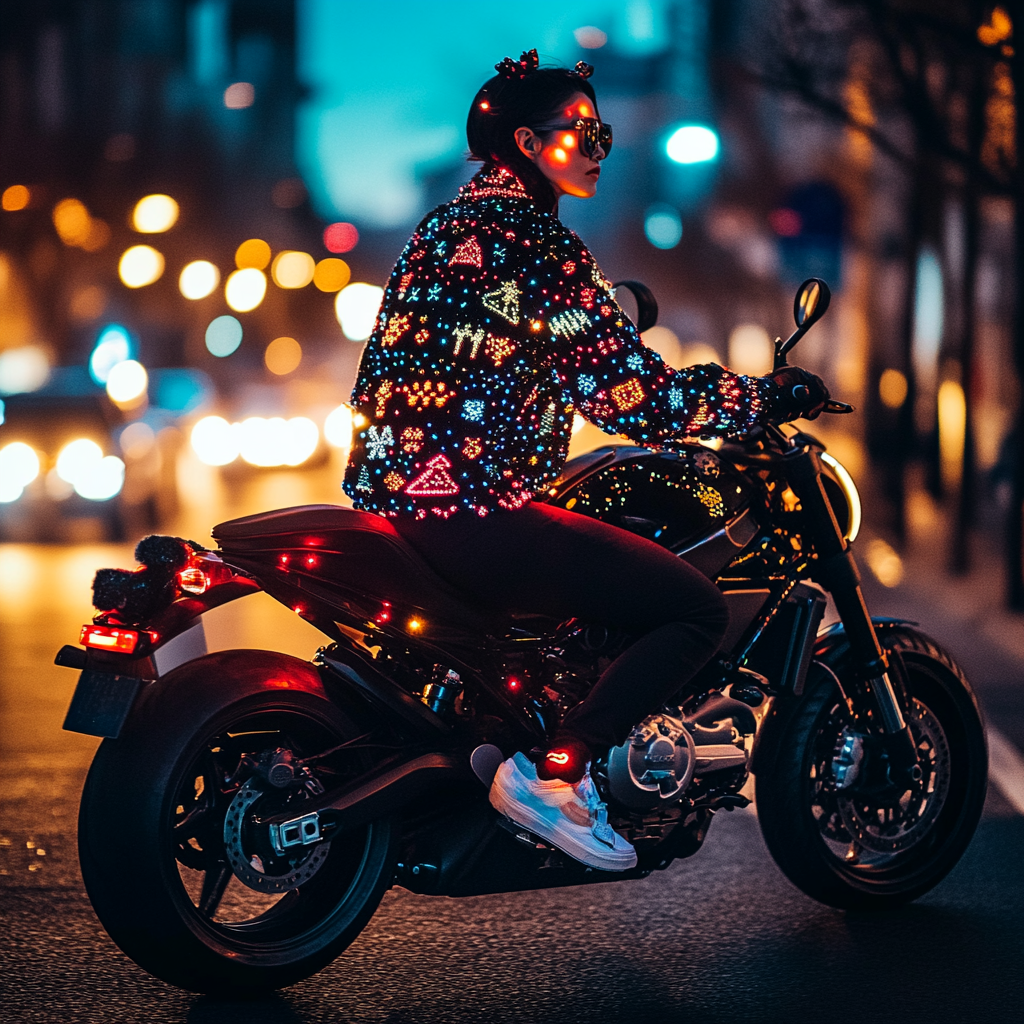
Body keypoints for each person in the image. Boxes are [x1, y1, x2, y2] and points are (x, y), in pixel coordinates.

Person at [342, 50, 828, 872]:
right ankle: (556, 777)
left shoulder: (442, 228)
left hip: (395, 503)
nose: (602, 146)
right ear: (530, 143)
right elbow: (631, 400)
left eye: (603, 130)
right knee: (693, 611)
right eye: (586, 131)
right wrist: (761, 397)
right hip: (477, 510)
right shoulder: (536, 244)